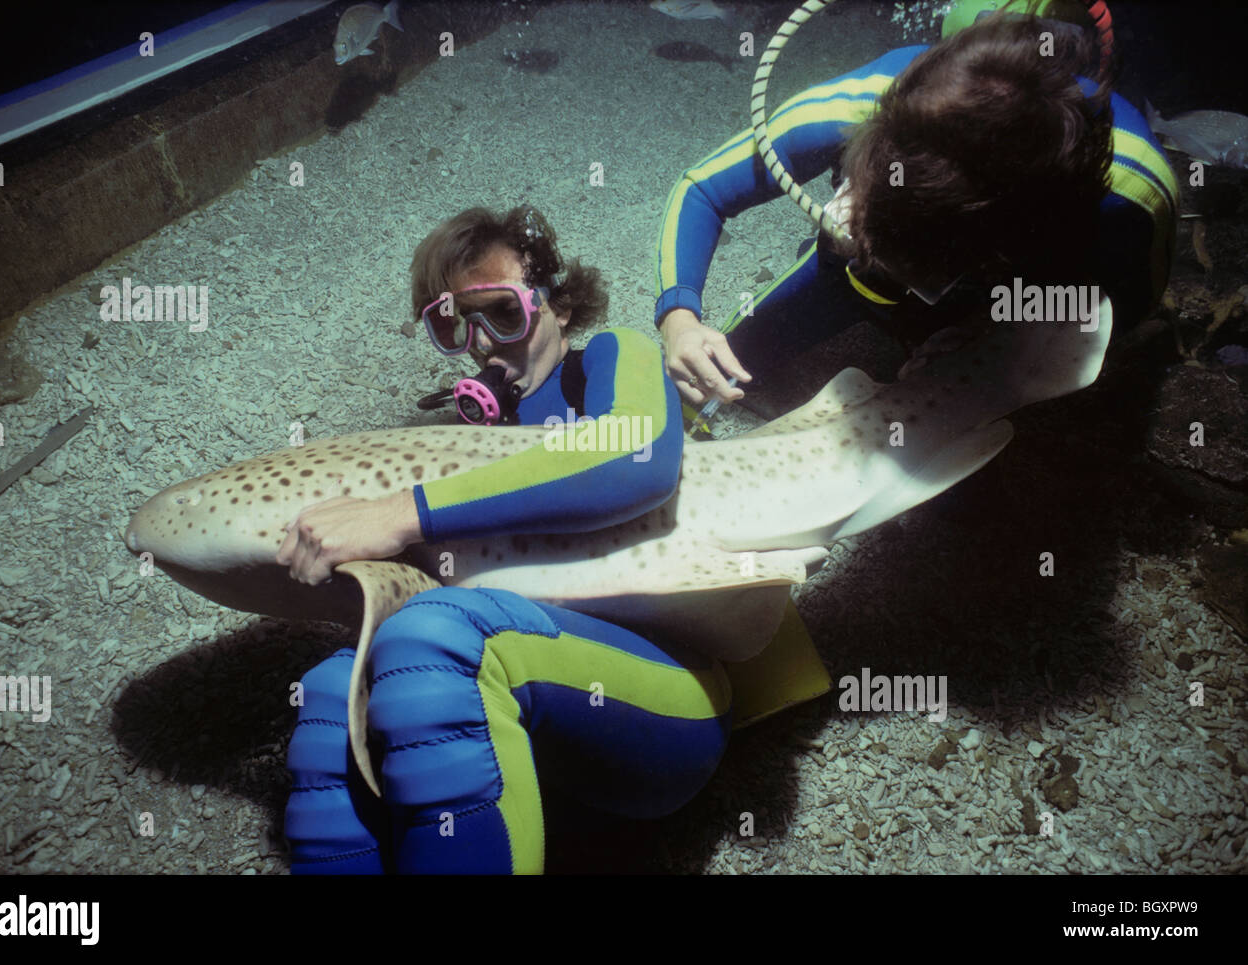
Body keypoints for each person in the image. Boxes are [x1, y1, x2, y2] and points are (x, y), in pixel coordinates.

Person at [276, 206, 732, 874]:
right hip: (504, 717)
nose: (483, 344)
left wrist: (403, 510)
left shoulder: (612, 357)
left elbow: (638, 456)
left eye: (503, 313)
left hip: (670, 691)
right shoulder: (469, 439)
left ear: (561, 308)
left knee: (435, 642)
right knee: (331, 695)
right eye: (452, 324)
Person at [657, 8, 1176, 412]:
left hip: (998, 300)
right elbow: (703, 189)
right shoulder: (852, 106)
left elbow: (1121, 311)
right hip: (852, 274)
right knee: (710, 380)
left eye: (922, 275)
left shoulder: (1132, 199)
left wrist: (1003, 329)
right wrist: (679, 317)